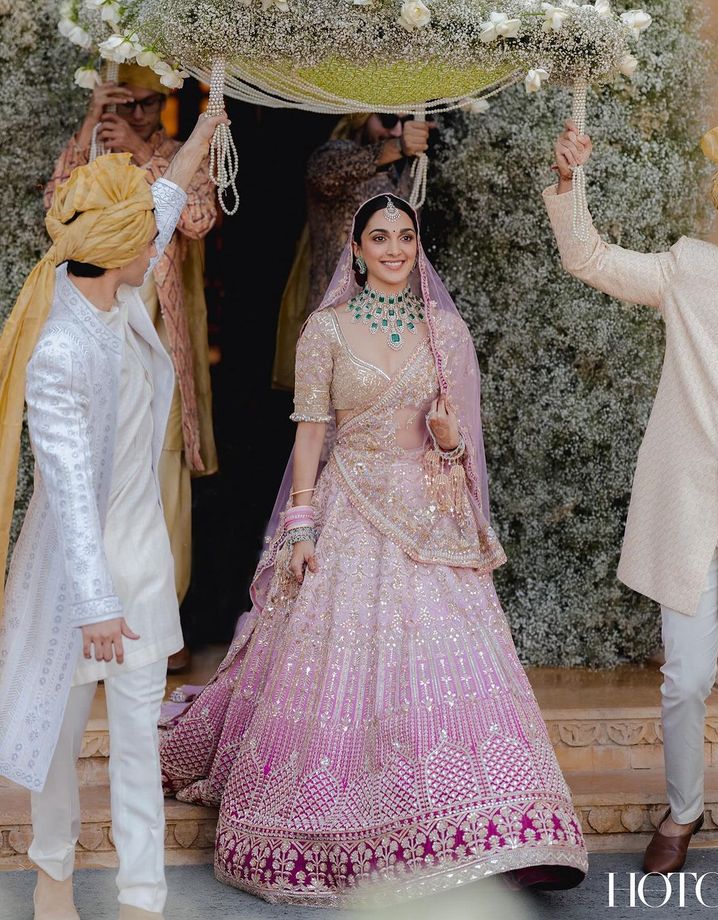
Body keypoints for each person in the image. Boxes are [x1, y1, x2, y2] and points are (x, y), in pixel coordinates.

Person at [158, 194, 588, 905]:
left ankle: (487, 831)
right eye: (380, 237)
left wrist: (448, 440)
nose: (394, 248)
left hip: (429, 521)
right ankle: (344, 833)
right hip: (348, 509)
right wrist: (298, 524)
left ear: (418, 246)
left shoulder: (445, 329)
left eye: (406, 236)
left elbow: (462, 447)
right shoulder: (325, 329)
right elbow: (309, 434)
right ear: (355, 250)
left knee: (452, 661)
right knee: (339, 666)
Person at [0, 112, 227, 920]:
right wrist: (95, 607)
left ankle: (142, 897)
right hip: (73, 578)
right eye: (150, 242)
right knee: (58, 743)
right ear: (123, 249)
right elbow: (62, 487)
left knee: (139, 742)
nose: (158, 248)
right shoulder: (61, 347)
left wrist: (207, 125)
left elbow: (162, 202)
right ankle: (51, 871)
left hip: (141, 561)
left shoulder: (114, 282)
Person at [546, 119, 718, 873]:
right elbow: (588, 257)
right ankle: (683, 811)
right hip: (693, 511)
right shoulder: (690, 270)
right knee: (687, 676)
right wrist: (570, 182)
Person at [45, 62, 219, 672]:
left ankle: (157, 625)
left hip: (157, 347)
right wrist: (94, 122)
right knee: (86, 475)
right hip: (93, 340)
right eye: (127, 103)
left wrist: (145, 152)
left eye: (146, 104)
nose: (136, 114)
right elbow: (54, 211)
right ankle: (93, 620)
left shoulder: (166, 151)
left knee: (159, 480)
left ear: (164, 104)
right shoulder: (96, 147)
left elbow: (196, 216)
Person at [271, 113, 434, 390]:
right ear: (361, 117)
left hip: (394, 322)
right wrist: (400, 146)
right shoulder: (333, 154)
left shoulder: (409, 170)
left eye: (404, 123)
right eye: (386, 119)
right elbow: (326, 172)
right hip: (339, 318)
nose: (396, 130)